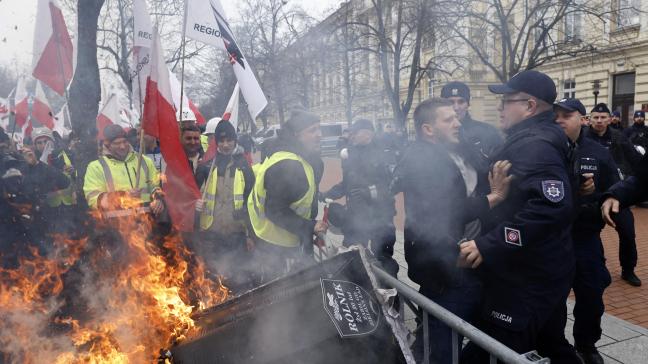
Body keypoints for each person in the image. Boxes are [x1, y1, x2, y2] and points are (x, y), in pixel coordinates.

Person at [458, 70, 580, 363]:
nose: (500, 107)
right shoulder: (531, 137)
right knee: (551, 343)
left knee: (494, 350)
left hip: (526, 276)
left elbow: (550, 207)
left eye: (506, 101)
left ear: (529, 105)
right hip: (540, 268)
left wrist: (490, 244)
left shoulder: (535, 145)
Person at [392, 98, 512, 363]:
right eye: (448, 120)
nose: (458, 123)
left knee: (460, 335)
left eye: (457, 117)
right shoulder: (421, 160)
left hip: (472, 260)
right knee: (443, 345)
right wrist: (494, 198)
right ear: (428, 129)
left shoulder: (459, 149)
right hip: (447, 266)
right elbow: (445, 211)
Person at [554, 98, 617, 364]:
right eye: (555, 116)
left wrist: (598, 198)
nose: (559, 120)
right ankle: (553, 343)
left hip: (585, 237)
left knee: (591, 294)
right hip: (554, 238)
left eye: (566, 116)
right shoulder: (547, 149)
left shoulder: (599, 153)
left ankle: (586, 343)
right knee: (553, 296)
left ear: (582, 119)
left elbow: (614, 190)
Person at [247, 110, 328, 282]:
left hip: (291, 238)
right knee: (283, 295)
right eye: (312, 130)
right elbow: (275, 210)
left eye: (319, 129)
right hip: (277, 247)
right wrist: (310, 226)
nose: (319, 135)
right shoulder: (288, 165)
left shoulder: (300, 158)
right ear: (297, 135)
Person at [322, 119, 398, 275]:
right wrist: (329, 193)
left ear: (367, 134)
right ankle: (357, 293)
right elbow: (348, 182)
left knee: (383, 259)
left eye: (355, 133)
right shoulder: (351, 153)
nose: (352, 136)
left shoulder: (384, 153)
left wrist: (369, 192)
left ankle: (391, 295)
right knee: (351, 255)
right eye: (351, 133)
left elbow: (392, 185)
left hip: (381, 217)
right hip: (356, 216)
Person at [585, 103, 642, 286]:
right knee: (587, 234)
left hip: (616, 195)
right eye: (596, 117)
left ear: (610, 119)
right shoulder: (582, 138)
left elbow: (637, 163)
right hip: (590, 196)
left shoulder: (620, 138)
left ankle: (628, 270)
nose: (600, 121)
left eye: (603, 117)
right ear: (589, 119)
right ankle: (589, 268)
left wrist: (631, 186)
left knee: (627, 233)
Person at [196, 120, 256, 292]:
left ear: (235, 141)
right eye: (221, 141)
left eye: (229, 140)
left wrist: (250, 235)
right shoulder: (206, 167)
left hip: (236, 232)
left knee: (239, 275)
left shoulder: (243, 166)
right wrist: (195, 203)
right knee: (213, 277)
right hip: (211, 233)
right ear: (216, 142)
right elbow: (191, 192)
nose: (226, 144)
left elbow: (250, 201)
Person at [0, 128, 70, 265]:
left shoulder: (22, 164)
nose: (3, 154)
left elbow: (63, 182)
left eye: (4, 147)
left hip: (34, 231)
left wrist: (36, 165)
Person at [83, 125, 164, 218]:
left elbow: (155, 186)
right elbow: (93, 199)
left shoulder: (144, 161)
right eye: (117, 143)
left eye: (124, 141)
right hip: (116, 225)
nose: (122, 146)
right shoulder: (96, 167)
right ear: (107, 145)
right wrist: (124, 196)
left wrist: (157, 199)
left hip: (147, 222)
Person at [441, 81, 503, 159]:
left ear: (468, 104)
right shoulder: (434, 133)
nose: (456, 107)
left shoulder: (488, 132)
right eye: (450, 102)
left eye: (461, 102)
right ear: (442, 105)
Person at [180, 123, 209, 189]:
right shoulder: (175, 162)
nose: (193, 142)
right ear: (181, 139)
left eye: (196, 138)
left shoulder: (208, 162)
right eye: (189, 138)